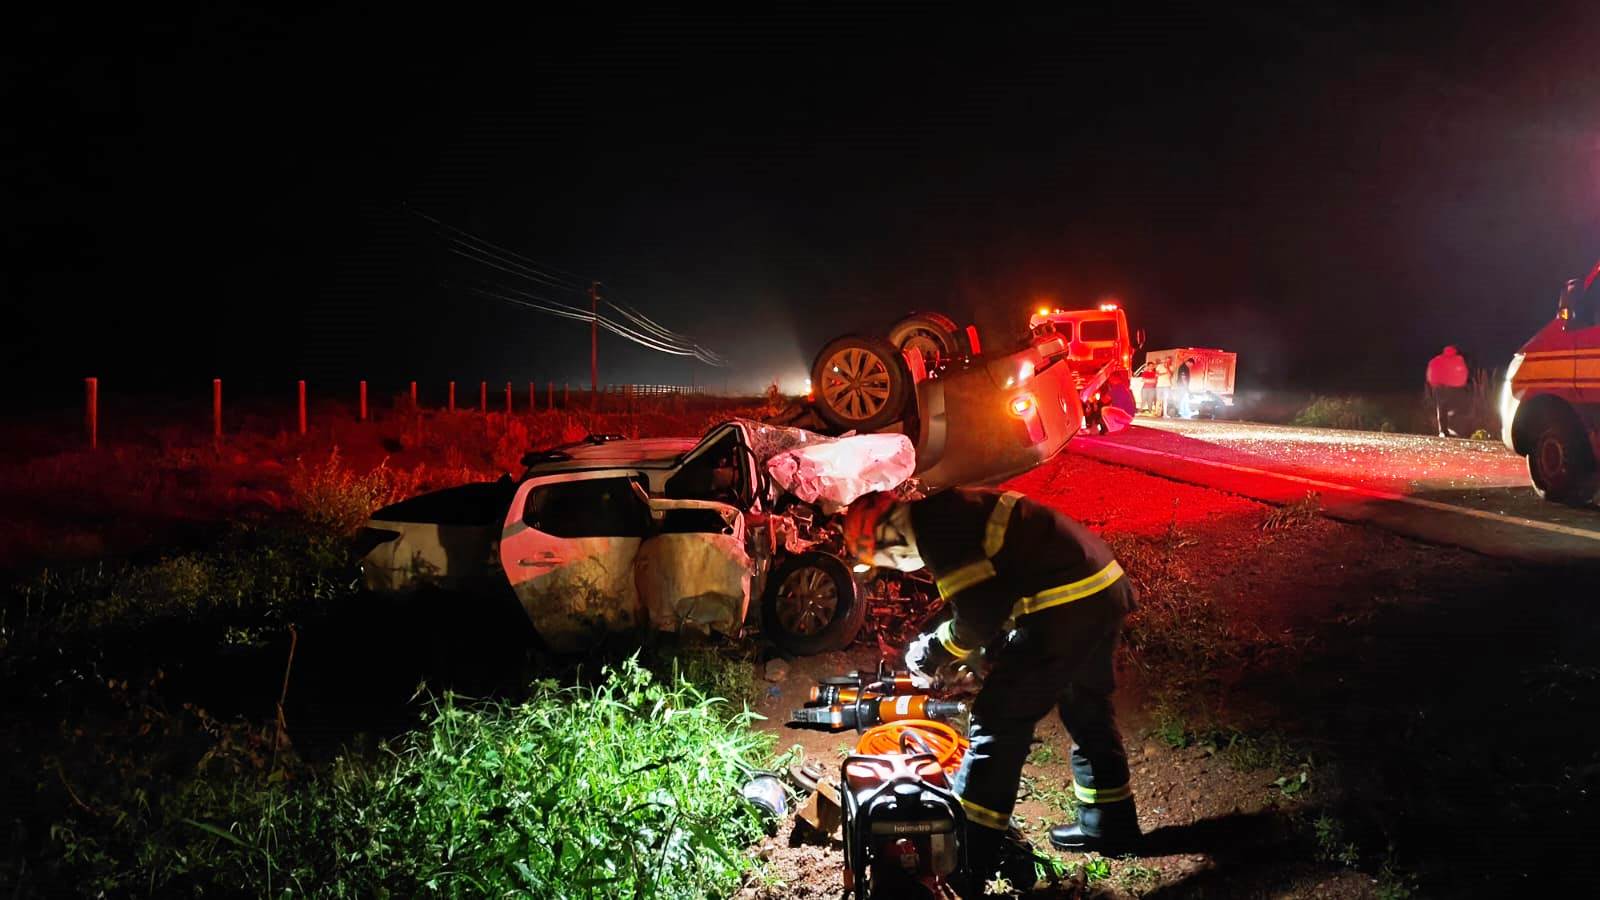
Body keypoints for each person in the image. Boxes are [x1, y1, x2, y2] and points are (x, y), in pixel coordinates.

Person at [843, 488, 1140, 891]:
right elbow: (996, 597)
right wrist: (984, 657)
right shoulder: (950, 512)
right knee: (1084, 705)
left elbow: (980, 615)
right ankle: (1110, 825)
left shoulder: (935, 527)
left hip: (1063, 602)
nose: (893, 566)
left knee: (998, 719)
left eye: (880, 559)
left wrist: (931, 652)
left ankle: (968, 856)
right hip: (1101, 588)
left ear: (886, 537)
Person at [1425, 345, 1470, 437]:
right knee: (1456, 408)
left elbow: (1431, 372)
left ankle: (1443, 430)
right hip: (1455, 388)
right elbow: (1464, 372)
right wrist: (1462, 383)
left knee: (1442, 409)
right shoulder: (1459, 360)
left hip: (1440, 387)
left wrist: (1433, 384)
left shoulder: (1437, 360)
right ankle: (1453, 429)